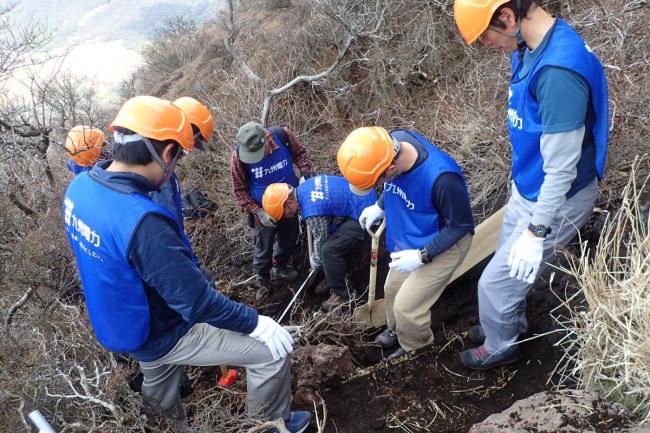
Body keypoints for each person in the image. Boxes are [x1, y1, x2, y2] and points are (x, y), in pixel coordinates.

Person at [63, 96, 311, 433]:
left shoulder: (79, 189)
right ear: (167, 154)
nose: (174, 170)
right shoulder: (142, 222)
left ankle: (167, 426)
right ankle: (268, 425)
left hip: (119, 325)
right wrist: (255, 323)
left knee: (159, 375)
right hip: (164, 328)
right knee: (271, 352)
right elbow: (195, 303)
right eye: (177, 158)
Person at [453, 0, 608, 370]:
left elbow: (561, 171)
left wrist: (537, 232)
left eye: (485, 37)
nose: (486, 45)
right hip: (528, 186)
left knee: (492, 284)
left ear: (506, 17)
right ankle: (505, 321)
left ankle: (501, 346)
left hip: (557, 198)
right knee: (506, 272)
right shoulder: (529, 45)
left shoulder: (557, 73)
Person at [337, 127, 475, 359]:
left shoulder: (442, 179)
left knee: (407, 307)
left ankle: (416, 347)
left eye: (377, 182)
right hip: (414, 234)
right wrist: (380, 206)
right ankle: (398, 329)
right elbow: (393, 184)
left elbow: (460, 227)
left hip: (445, 243)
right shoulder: (393, 143)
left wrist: (422, 255)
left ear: (391, 168)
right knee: (392, 289)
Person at [261, 175, 378, 312]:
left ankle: (344, 295)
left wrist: (316, 261)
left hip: (367, 214)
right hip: (362, 196)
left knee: (328, 251)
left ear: (289, 203)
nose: (286, 217)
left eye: (284, 214)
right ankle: (332, 277)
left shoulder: (312, 211)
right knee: (329, 247)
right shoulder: (304, 187)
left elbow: (321, 239)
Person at [230, 121, 313, 301]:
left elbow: (300, 154)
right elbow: (239, 190)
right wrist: (258, 212)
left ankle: (280, 266)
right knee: (263, 247)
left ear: (267, 139)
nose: (256, 159)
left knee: (289, 238)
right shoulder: (238, 156)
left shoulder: (283, 136)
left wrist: (305, 175)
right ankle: (263, 280)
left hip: (290, 202)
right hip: (263, 210)